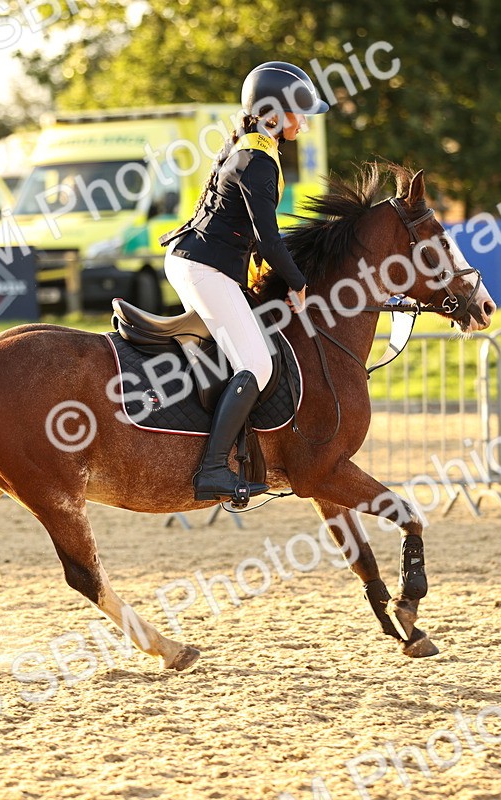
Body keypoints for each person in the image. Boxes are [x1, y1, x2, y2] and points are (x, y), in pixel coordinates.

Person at [160, 61, 329, 502]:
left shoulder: (251, 149)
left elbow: (253, 238)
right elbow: (269, 240)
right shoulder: (255, 161)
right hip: (203, 267)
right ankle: (213, 469)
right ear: (274, 114)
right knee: (257, 364)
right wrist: (298, 283)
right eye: (299, 113)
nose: (306, 122)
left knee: (249, 352)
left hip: (201, 261)